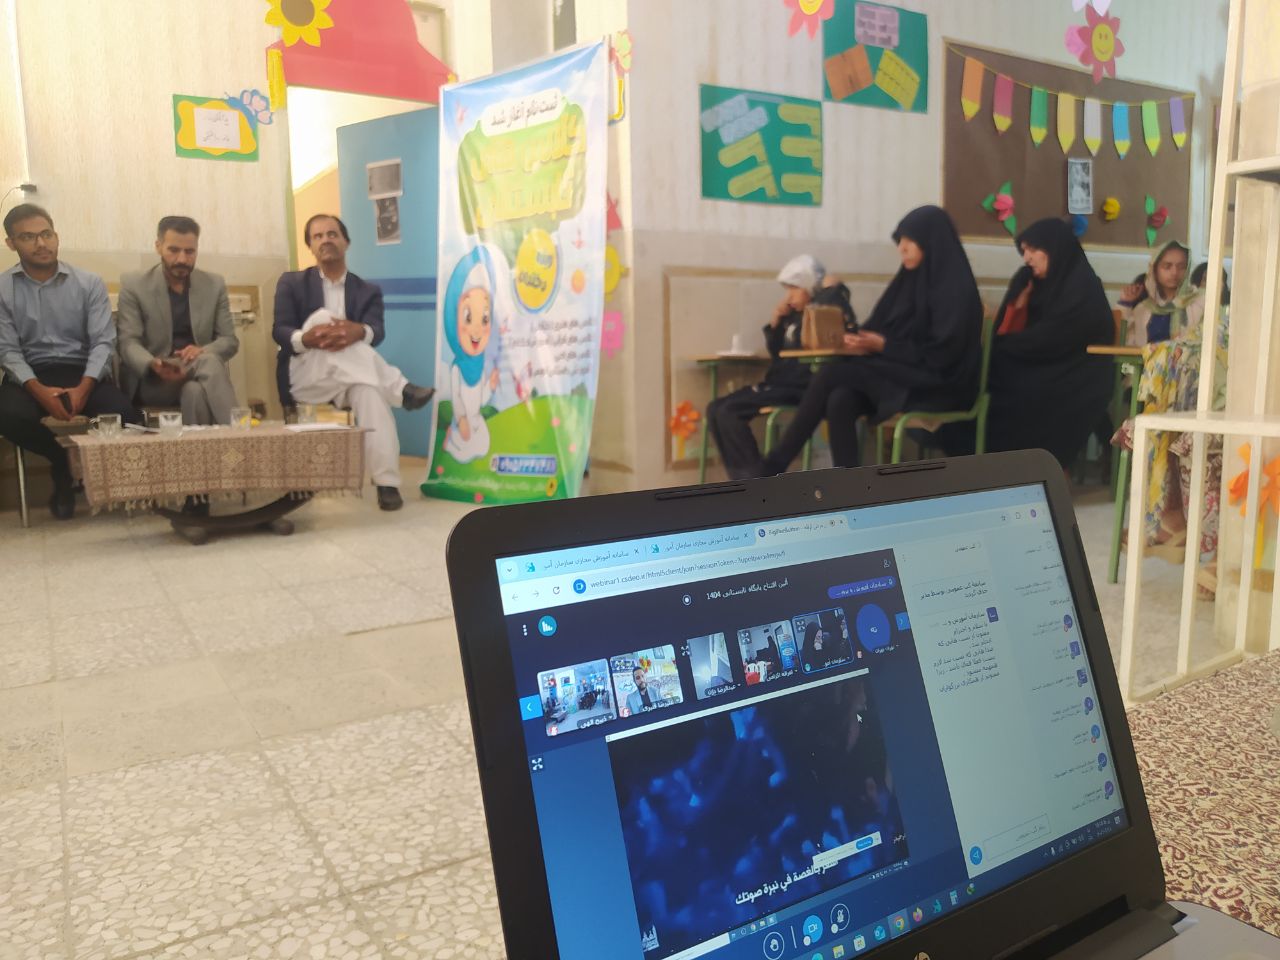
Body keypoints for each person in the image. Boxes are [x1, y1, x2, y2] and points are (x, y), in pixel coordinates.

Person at [753, 206, 983, 475]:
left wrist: (884, 346)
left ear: (931, 240)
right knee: (840, 398)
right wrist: (858, 341)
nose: (902, 248)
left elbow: (944, 354)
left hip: (939, 385)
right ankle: (849, 486)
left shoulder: (956, 290)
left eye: (910, 240)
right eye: (900, 241)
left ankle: (773, 465)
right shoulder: (906, 284)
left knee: (831, 375)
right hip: (903, 375)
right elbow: (879, 327)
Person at [273, 214, 435, 511]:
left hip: (350, 377)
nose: (325, 240)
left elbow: (377, 331)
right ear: (310, 246)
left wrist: (357, 332)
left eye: (332, 234)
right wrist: (308, 338)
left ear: (346, 242)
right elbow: (279, 330)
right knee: (324, 318)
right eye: (318, 236)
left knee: (371, 394)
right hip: (306, 374)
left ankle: (387, 484)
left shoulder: (367, 290)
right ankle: (402, 390)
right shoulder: (292, 283)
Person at [0, 204, 140, 519]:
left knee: (126, 416)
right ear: (11, 243)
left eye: (46, 234)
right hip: (30, 375)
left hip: (83, 371)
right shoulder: (2, 288)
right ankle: (62, 462)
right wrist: (39, 391)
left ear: (56, 236)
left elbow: (103, 342)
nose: (41, 243)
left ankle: (103, 479)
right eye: (28, 237)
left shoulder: (88, 283)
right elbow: (7, 351)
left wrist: (84, 388)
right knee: (6, 415)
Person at [954, 218, 1113, 468]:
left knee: (1016, 391)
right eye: (1024, 251)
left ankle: (1027, 468)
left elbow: (1056, 337)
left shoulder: (1083, 288)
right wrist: (1018, 306)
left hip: (1079, 374)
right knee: (988, 375)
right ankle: (987, 462)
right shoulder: (1030, 284)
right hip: (1039, 366)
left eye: (1033, 249)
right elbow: (1003, 335)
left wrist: (1007, 345)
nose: (1026, 258)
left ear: (1055, 248)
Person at [705, 255, 856, 479]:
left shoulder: (824, 310)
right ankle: (741, 480)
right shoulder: (794, 316)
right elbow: (779, 355)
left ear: (810, 287)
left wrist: (830, 287)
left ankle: (756, 481)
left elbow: (837, 303)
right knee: (715, 409)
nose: (789, 297)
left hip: (801, 386)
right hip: (779, 382)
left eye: (795, 289)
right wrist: (775, 323)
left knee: (729, 412)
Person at [116, 216, 239, 427]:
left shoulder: (213, 284)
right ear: (158, 246)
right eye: (173, 250)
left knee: (194, 391)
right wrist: (152, 364)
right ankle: (240, 435)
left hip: (198, 373)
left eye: (189, 252)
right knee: (208, 361)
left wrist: (202, 350)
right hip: (156, 380)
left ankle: (201, 448)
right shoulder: (134, 284)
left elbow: (229, 340)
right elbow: (128, 343)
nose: (182, 259)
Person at [1122, 241, 1203, 347]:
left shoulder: (1200, 303)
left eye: (1181, 267)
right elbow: (1125, 344)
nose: (1174, 272)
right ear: (1154, 269)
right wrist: (1125, 304)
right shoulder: (1142, 309)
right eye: (1167, 266)